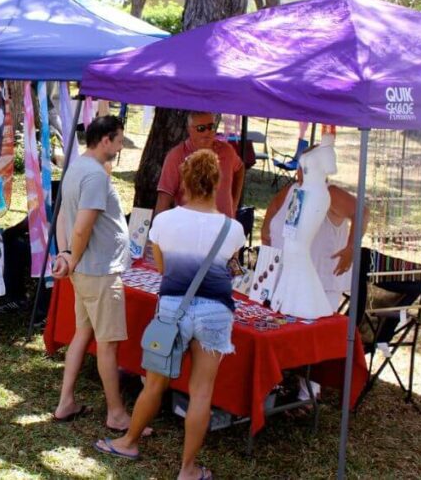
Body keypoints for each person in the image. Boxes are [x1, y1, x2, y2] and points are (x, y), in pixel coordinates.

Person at [94, 149, 245, 480]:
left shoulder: (164, 221)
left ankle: (129, 441)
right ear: (217, 183)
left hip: (173, 309)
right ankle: (188, 468)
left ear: (184, 182)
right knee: (202, 391)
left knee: (154, 384)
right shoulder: (232, 228)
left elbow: (161, 267)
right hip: (216, 311)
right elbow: (231, 268)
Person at [50, 115, 132, 433]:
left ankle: (66, 401)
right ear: (106, 140)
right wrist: (70, 254)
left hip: (86, 269)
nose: (122, 146)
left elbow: (63, 217)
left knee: (82, 335)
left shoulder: (77, 166)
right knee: (107, 345)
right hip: (98, 271)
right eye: (120, 140)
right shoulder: (95, 175)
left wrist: (65, 254)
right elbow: (82, 226)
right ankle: (116, 413)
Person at [261, 156, 368, 312]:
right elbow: (271, 218)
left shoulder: (329, 192)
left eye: (306, 166)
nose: (300, 171)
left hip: (319, 285)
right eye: (300, 165)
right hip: (283, 281)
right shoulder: (293, 189)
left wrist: (351, 247)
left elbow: (362, 213)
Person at [155, 112, 244, 218]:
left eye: (211, 127)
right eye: (201, 128)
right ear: (189, 129)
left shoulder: (227, 151)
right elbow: (164, 198)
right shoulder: (176, 156)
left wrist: (234, 204)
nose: (208, 132)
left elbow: (240, 168)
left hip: (223, 227)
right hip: (189, 227)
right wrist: (158, 225)